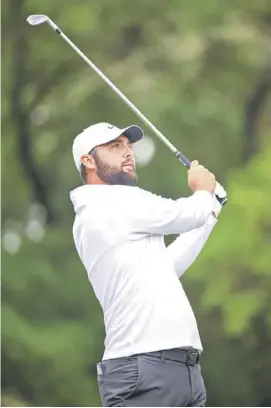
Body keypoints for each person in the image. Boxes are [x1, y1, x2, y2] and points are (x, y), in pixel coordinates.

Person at [70, 122, 227, 407]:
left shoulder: (113, 211)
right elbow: (185, 214)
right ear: (88, 160)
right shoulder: (107, 203)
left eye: (128, 146)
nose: (128, 153)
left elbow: (168, 265)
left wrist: (211, 209)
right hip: (143, 369)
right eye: (115, 146)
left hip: (181, 372)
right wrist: (203, 191)